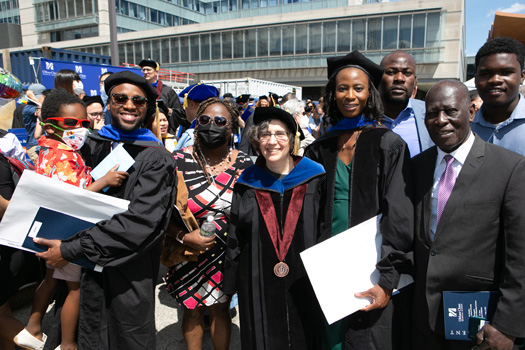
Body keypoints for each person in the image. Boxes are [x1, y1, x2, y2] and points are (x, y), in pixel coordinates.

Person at [33, 70, 177, 350]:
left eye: (139, 100)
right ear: (108, 103)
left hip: (125, 273)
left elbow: (139, 223)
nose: (129, 105)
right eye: (120, 98)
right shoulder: (88, 144)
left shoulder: (156, 158)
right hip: (79, 271)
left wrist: (69, 249)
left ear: (148, 107)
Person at [304, 50, 413, 350]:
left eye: (358, 88)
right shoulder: (319, 149)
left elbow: (399, 213)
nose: (349, 95)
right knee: (332, 336)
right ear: (332, 93)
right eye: (342, 88)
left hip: (372, 259)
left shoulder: (387, 143)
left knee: (368, 335)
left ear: (370, 93)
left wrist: (389, 277)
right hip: (328, 258)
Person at [412, 79, 525, 349]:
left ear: (471, 112)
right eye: (432, 113)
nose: (440, 120)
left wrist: (507, 324)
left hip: (480, 325)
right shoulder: (416, 167)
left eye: (451, 111)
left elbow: (520, 256)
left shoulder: (509, 168)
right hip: (422, 320)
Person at [14, 89, 128, 350]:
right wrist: (104, 181)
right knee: (75, 289)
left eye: (83, 124)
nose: (79, 130)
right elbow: (72, 197)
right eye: (70, 124)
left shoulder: (47, 149)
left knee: (51, 279)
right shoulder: (65, 156)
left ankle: (32, 327)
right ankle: (67, 344)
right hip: (68, 231)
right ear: (50, 125)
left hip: (51, 227)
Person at [224, 106, 326, 349]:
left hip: (306, 280)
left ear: (292, 140)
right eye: (265, 135)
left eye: (280, 134)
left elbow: (325, 227)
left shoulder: (315, 177)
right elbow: (235, 236)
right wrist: (229, 285)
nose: (272, 141)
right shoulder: (247, 182)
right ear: (257, 141)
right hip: (257, 281)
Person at [165, 97, 252, 350]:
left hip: (228, 254)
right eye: (204, 120)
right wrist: (183, 236)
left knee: (221, 309)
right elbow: (161, 214)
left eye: (220, 121)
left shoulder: (244, 164)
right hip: (188, 252)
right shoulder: (177, 161)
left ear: (231, 128)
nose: (211, 125)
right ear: (196, 124)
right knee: (191, 310)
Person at [471, 37, 525, 156]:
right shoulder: (465, 128)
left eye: (506, 73)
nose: (495, 80)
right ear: (476, 80)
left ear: (521, 77)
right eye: (485, 74)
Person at [379, 50, 433, 157]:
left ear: (415, 82)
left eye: (407, 73)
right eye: (391, 72)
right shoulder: (363, 116)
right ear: (379, 78)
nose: (399, 78)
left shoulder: (430, 114)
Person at [139, 59, 186, 133]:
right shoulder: (139, 90)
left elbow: (180, 114)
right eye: (143, 70)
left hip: (164, 131)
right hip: (144, 130)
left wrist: (168, 111)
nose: (145, 72)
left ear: (156, 72)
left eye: (148, 70)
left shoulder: (167, 91)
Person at [174, 83, 220, 150]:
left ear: (192, 105)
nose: (185, 109)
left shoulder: (192, 134)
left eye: (186, 105)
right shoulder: (221, 129)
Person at [22, 83, 46, 165]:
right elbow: (46, 110)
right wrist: (34, 98)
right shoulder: (29, 109)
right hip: (35, 146)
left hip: (41, 144)